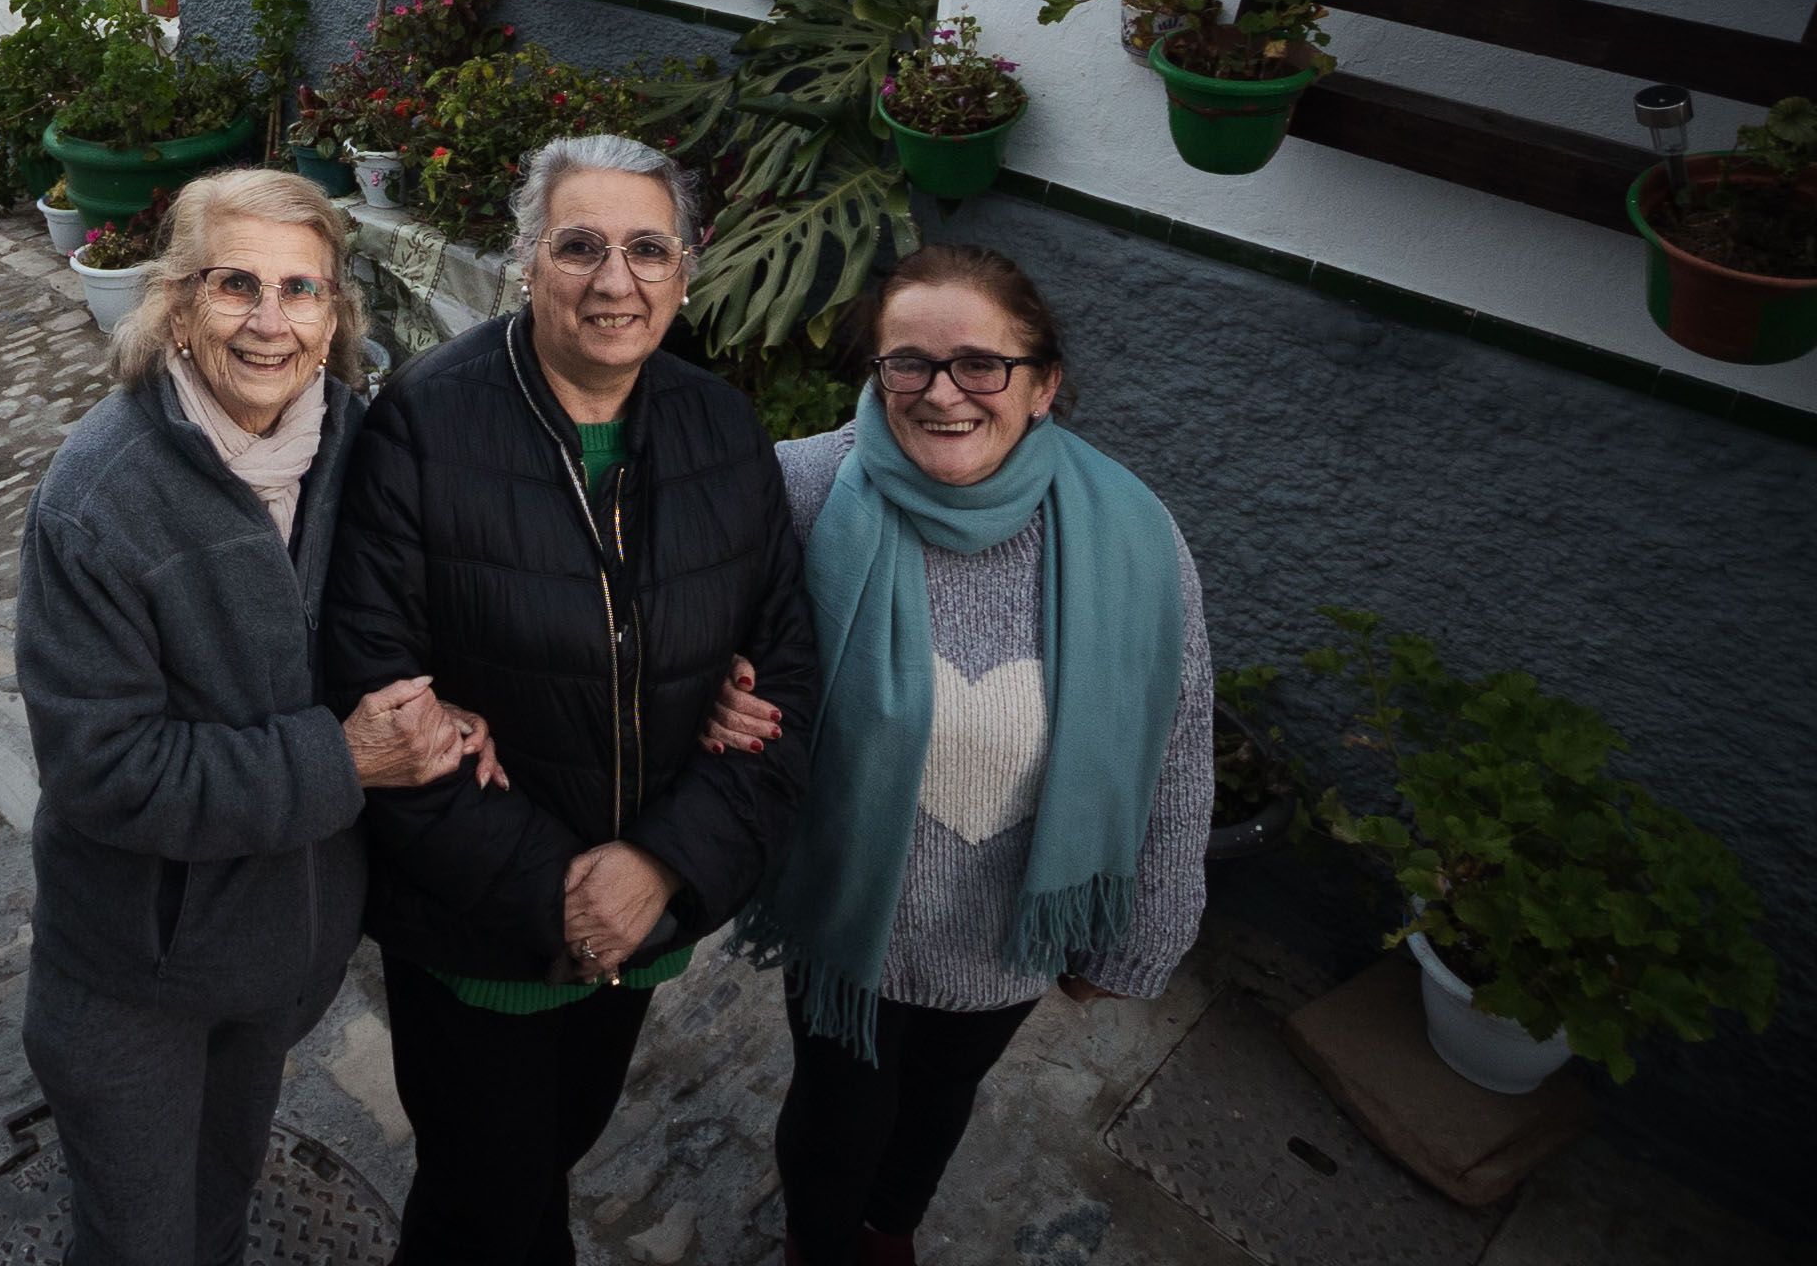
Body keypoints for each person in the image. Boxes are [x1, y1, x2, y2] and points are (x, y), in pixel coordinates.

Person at [325, 134, 820, 1265]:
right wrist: (558, 891)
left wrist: (658, 868)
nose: (616, 279)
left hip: (642, 922)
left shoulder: (723, 431)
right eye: (581, 245)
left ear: (687, 270)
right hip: (478, 938)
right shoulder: (424, 424)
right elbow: (376, 693)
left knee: (552, 1153)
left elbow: (783, 677)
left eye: (649, 248)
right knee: (490, 1202)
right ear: (526, 263)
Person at [15, 168, 493, 1266]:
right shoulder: (100, 498)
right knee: (140, 1241)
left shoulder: (362, 449)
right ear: (178, 302)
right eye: (237, 285)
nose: (271, 322)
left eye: (303, 289)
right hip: (137, 973)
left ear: (337, 313)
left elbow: (434, 609)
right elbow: (106, 769)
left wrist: (472, 697)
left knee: (223, 1201)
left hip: (286, 953)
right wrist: (344, 756)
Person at [709, 243, 1211, 1266]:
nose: (945, 393)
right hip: (851, 919)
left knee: (942, 1098)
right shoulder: (800, 490)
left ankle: (891, 1226)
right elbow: (684, 627)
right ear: (875, 372)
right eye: (910, 363)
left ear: (1043, 384)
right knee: (839, 1111)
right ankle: (818, 1241)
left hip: (1011, 928)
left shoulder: (1135, 533)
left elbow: (1178, 737)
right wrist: (712, 690)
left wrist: (1142, 932)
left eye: (982, 364)